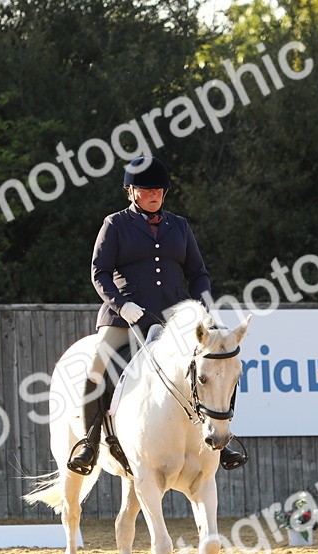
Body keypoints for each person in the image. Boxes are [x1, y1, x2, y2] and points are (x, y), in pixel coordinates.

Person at [65, 155, 247, 475]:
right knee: (97, 366)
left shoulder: (179, 225)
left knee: (218, 362)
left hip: (175, 320)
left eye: (159, 190)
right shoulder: (116, 224)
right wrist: (122, 305)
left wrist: (203, 308)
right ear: (132, 191)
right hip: (126, 317)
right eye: (147, 190)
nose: (154, 195)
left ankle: (223, 436)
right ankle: (89, 442)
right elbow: (99, 272)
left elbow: (198, 273)